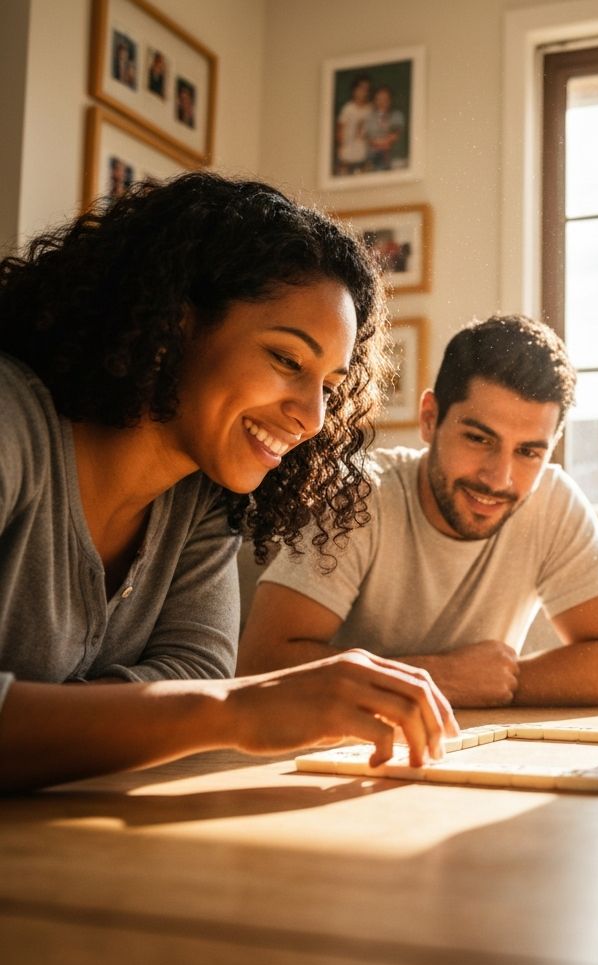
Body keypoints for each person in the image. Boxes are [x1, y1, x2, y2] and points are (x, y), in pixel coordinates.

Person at [0, 172, 455, 794]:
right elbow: (204, 698)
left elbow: (195, 667)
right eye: (287, 360)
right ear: (177, 322)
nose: (314, 417)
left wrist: (41, 720)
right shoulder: (10, 426)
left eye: (328, 386)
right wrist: (236, 710)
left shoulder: (201, 501)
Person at [239, 314, 598, 707]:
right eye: (479, 439)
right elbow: (259, 663)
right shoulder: (362, 494)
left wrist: (500, 683)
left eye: (528, 452)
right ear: (429, 419)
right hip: (340, 751)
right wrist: (438, 678)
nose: (499, 478)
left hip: (476, 749)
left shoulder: (552, 501)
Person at [335, 74, 373, 175]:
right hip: (346, 155)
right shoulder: (348, 108)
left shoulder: (370, 109)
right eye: (361, 88)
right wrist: (342, 150)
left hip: (363, 156)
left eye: (366, 89)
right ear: (354, 90)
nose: (363, 92)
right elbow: (340, 131)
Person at [365, 85, 406, 172]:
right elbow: (368, 138)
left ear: (390, 100)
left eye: (385, 99)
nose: (382, 102)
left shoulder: (397, 115)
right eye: (379, 99)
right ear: (375, 101)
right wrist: (380, 144)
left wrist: (382, 143)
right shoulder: (369, 117)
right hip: (373, 158)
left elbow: (394, 136)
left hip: (394, 157)